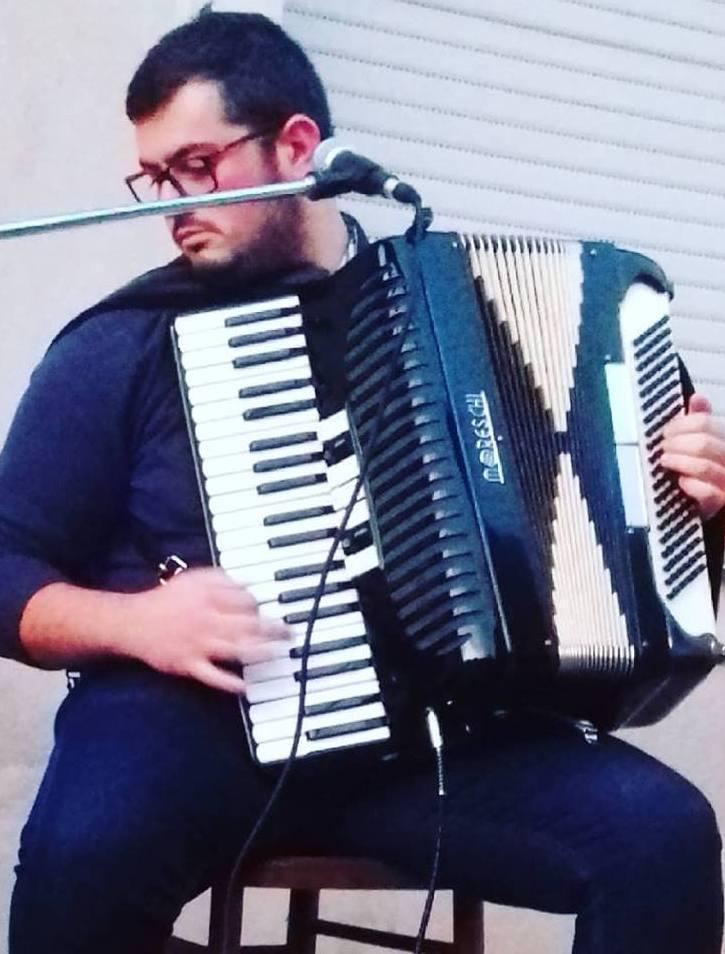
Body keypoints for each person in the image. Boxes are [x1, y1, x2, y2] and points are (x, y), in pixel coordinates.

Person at [2, 11, 725, 954]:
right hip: (187, 726)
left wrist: (695, 506)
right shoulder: (122, 341)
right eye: (152, 177)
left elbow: (635, 570)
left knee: (664, 840)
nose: (168, 205)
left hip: (420, 740)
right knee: (78, 867)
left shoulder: (447, 310)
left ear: (296, 145)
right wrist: (134, 623)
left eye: (196, 167)